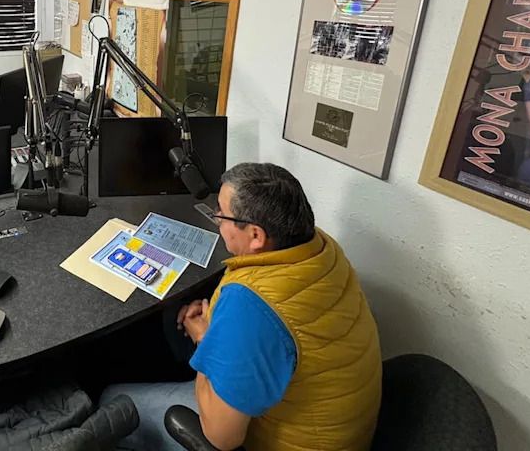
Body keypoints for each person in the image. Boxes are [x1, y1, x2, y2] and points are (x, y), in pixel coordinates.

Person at [102, 163, 382, 451]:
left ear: (256, 236)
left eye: (221, 215)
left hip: (283, 443)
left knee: (113, 400)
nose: (216, 221)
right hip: (340, 429)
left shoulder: (252, 307)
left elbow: (222, 438)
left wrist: (206, 340)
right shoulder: (320, 248)